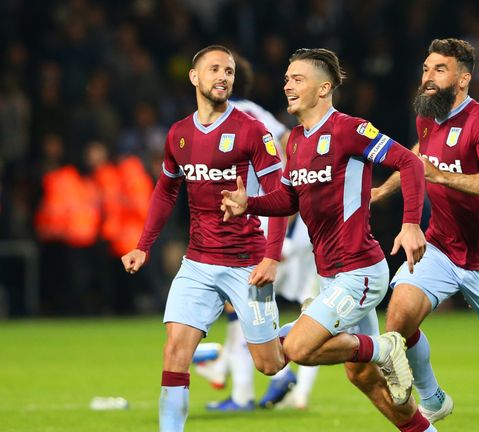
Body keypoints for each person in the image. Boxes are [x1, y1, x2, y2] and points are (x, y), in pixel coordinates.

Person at [220, 48, 437, 431]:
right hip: (332, 276)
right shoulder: (297, 142)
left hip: (360, 271)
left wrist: (411, 224)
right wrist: (247, 204)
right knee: (362, 377)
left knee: (299, 349)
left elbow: (409, 162)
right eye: (286, 78)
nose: (287, 84)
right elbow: (287, 198)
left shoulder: (348, 129)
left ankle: (386, 347)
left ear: (324, 88)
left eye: (297, 78)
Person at [372, 38, 479, 432]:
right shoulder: (427, 115)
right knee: (398, 318)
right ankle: (433, 399)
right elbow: (419, 155)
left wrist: (440, 176)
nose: (428, 78)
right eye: (426, 69)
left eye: (439, 70)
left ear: (463, 79)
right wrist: (384, 189)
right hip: (441, 245)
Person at [120, 45, 289, 432]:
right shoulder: (179, 134)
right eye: (214, 69)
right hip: (198, 263)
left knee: (269, 364)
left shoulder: (251, 130)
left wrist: (271, 257)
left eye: (228, 71)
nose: (223, 77)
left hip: (247, 262)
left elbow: (281, 196)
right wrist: (143, 245)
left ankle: (307, 328)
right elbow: (165, 191)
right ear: (194, 77)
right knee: (174, 351)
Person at [193, 52, 319, 412]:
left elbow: (283, 152)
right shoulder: (250, 114)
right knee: (243, 303)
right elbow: (287, 145)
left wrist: (285, 196)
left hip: (259, 219)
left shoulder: (239, 113)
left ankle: (269, 374)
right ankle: (239, 387)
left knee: (244, 302)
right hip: (265, 218)